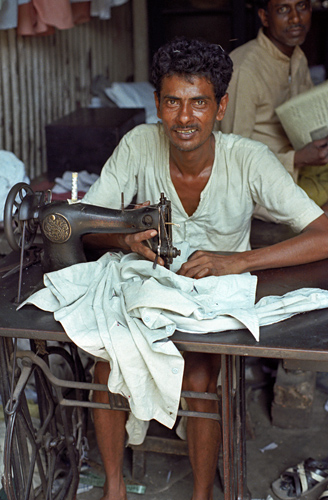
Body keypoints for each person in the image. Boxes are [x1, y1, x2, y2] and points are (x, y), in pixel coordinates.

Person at [82, 37, 328, 500]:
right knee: (104, 370)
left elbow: (323, 233)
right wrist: (124, 239)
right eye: (172, 102)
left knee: (198, 381)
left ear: (221, 107)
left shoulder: (247, 159)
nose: (184, 118)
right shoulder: (138, 145)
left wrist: (238, 261)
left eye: (199, 103)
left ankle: (201, 493)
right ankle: (114, 487)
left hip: (214, 299)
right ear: (157, 105)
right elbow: (88, 223)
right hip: (151, 287)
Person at [219, 0, 328, 216]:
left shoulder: (297, 57)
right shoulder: (245, 69)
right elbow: (230, 159)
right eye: (283, 9)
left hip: (302, 167)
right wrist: (296, 159)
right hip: (263, 184)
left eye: (302, 7)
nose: (296, 18)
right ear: (265, 17)